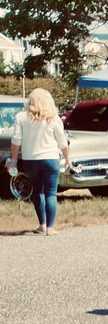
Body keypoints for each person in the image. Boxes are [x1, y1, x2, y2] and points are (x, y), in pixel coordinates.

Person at [6, 88, 71, 236]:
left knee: (38, 191)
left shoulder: (21, 117)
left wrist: (14, 159)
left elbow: (16, 140)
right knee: (51, 193)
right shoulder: (54, 118)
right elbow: (62, 142)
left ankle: (41, 224)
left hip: (31, 159)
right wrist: (67, 159)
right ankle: (50, 228)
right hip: (51, 158)